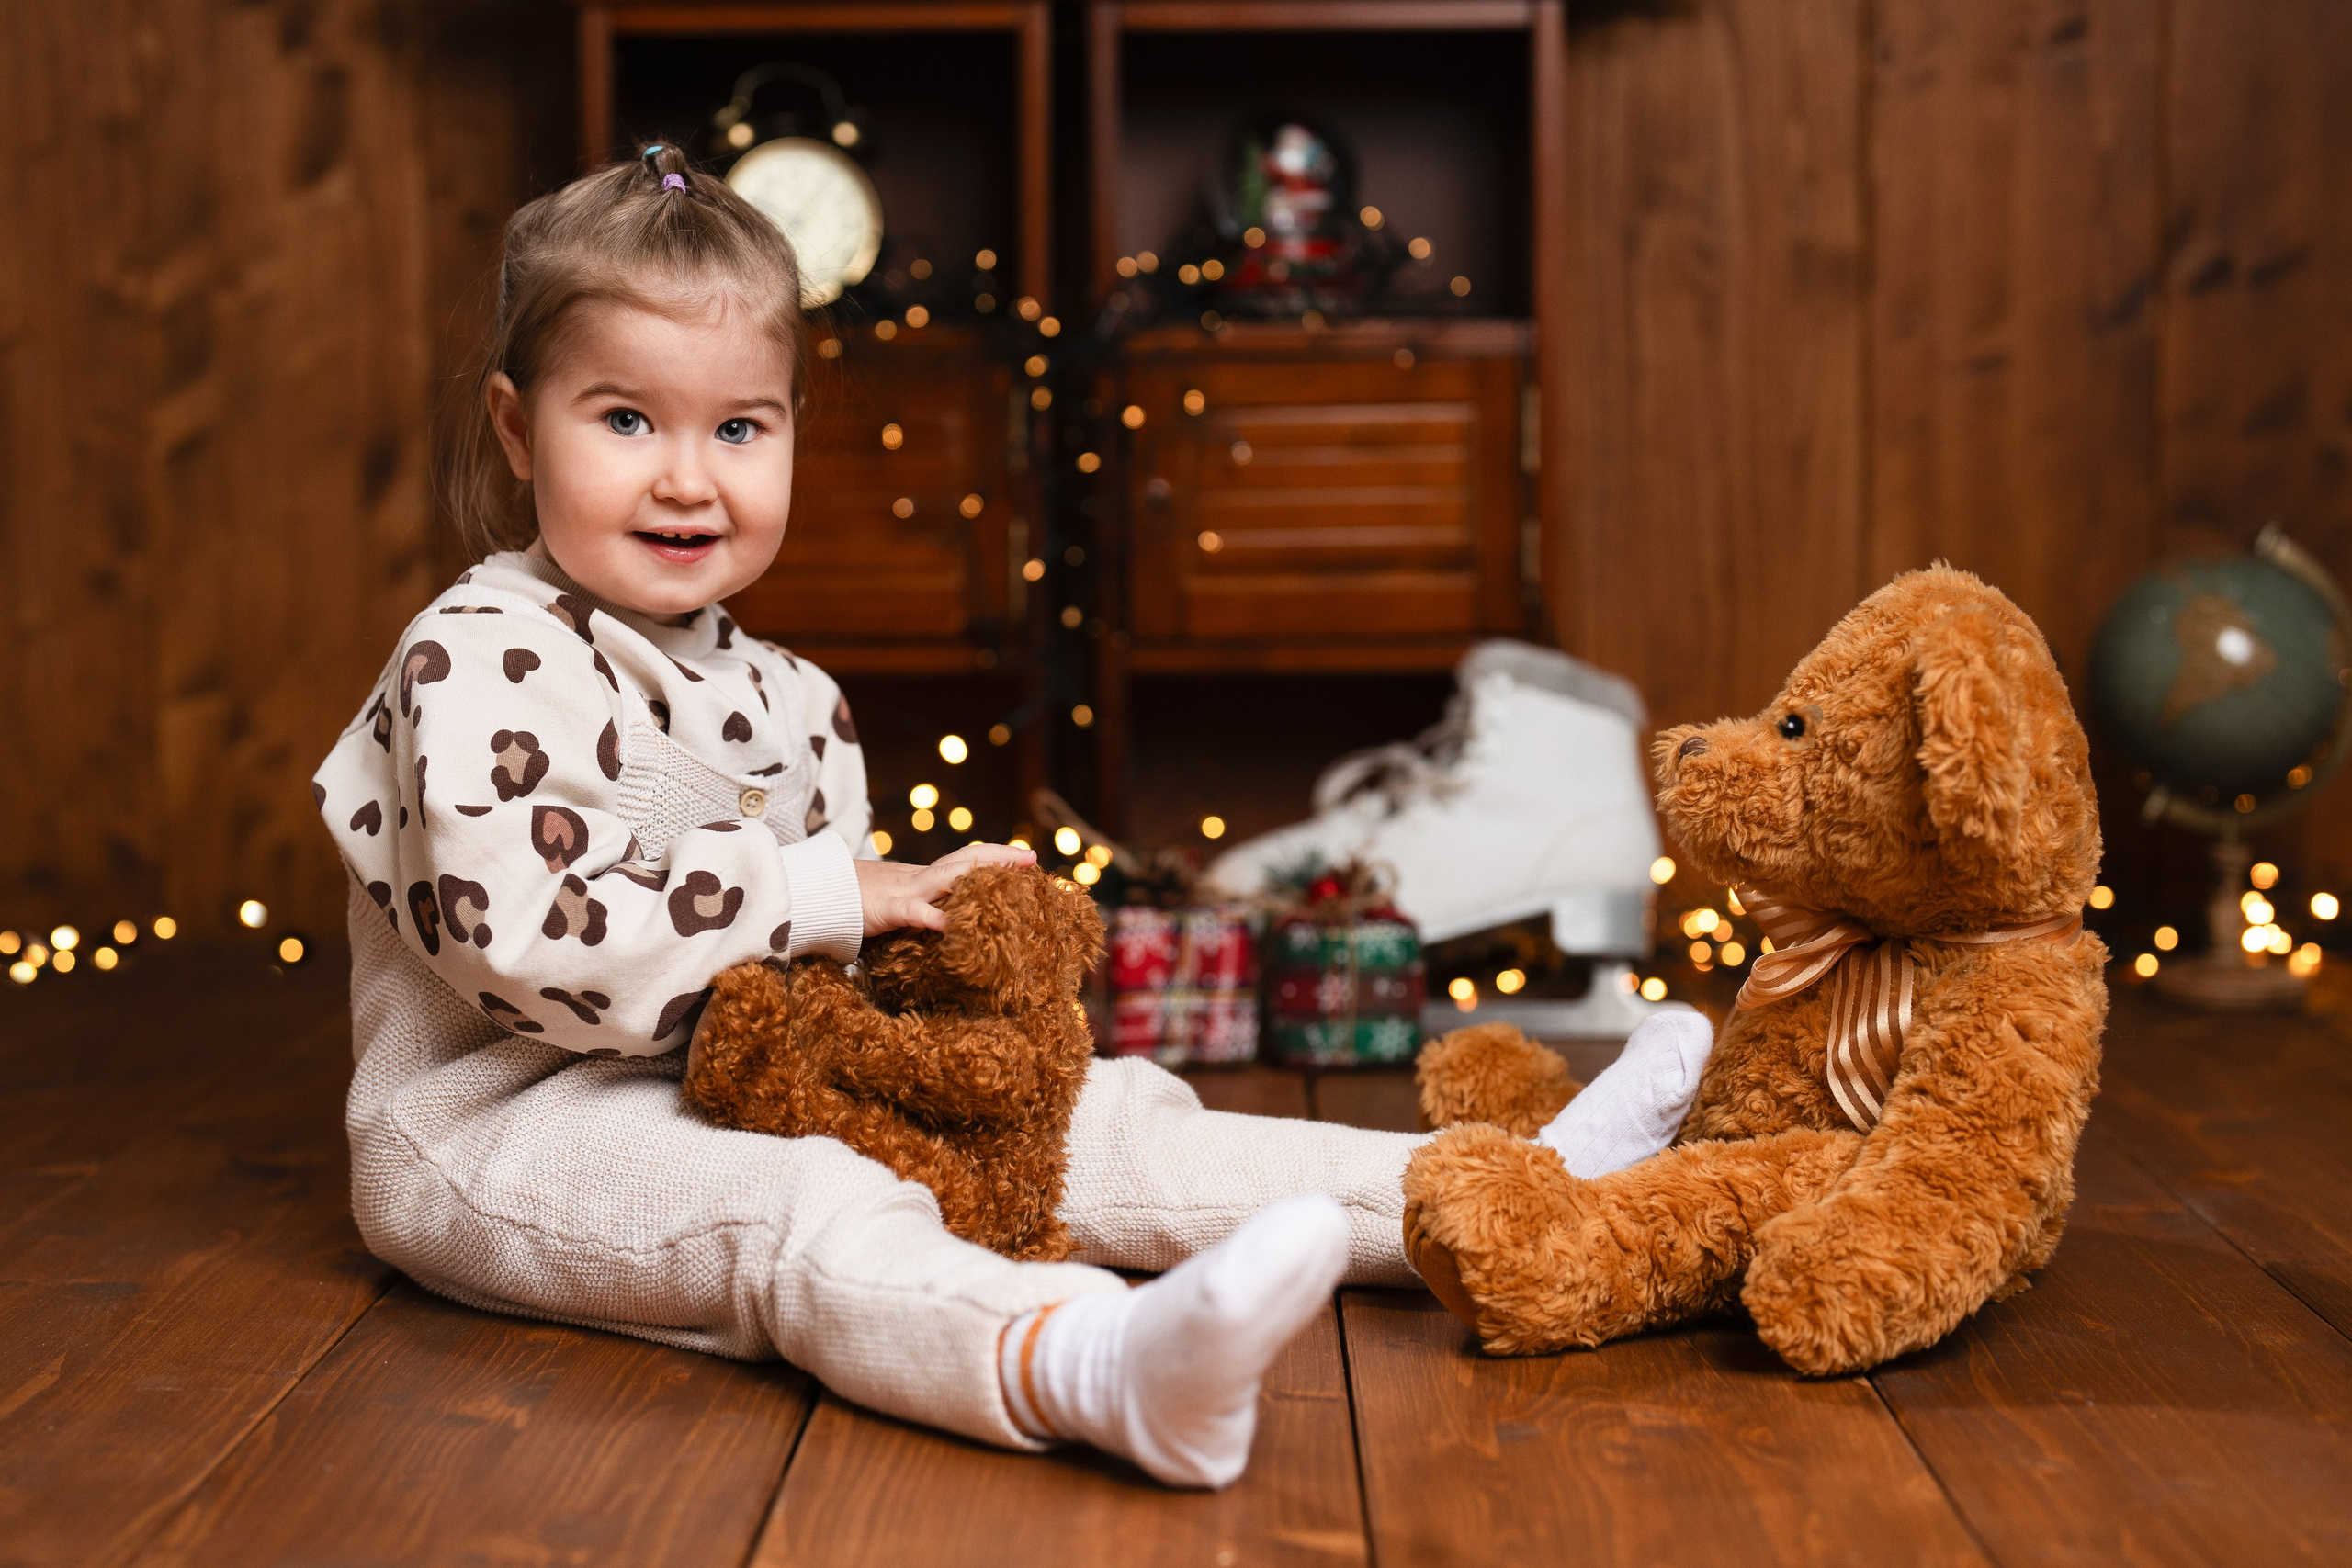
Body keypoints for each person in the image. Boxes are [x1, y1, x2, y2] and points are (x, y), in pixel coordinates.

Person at [314, 144, 1711, 1489]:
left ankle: (1502, 1190)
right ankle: (1079, 1363)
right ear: (515, 425)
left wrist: (934, 931)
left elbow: (823, 967)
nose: (689, 476)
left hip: (752, 1087)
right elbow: (525, 946)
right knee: (807, 1216)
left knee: (1098, 1118)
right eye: (626, 420)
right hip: (516, 1126)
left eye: (738, 426)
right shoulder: (480, 655)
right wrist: (826, 892)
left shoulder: (793, 698)